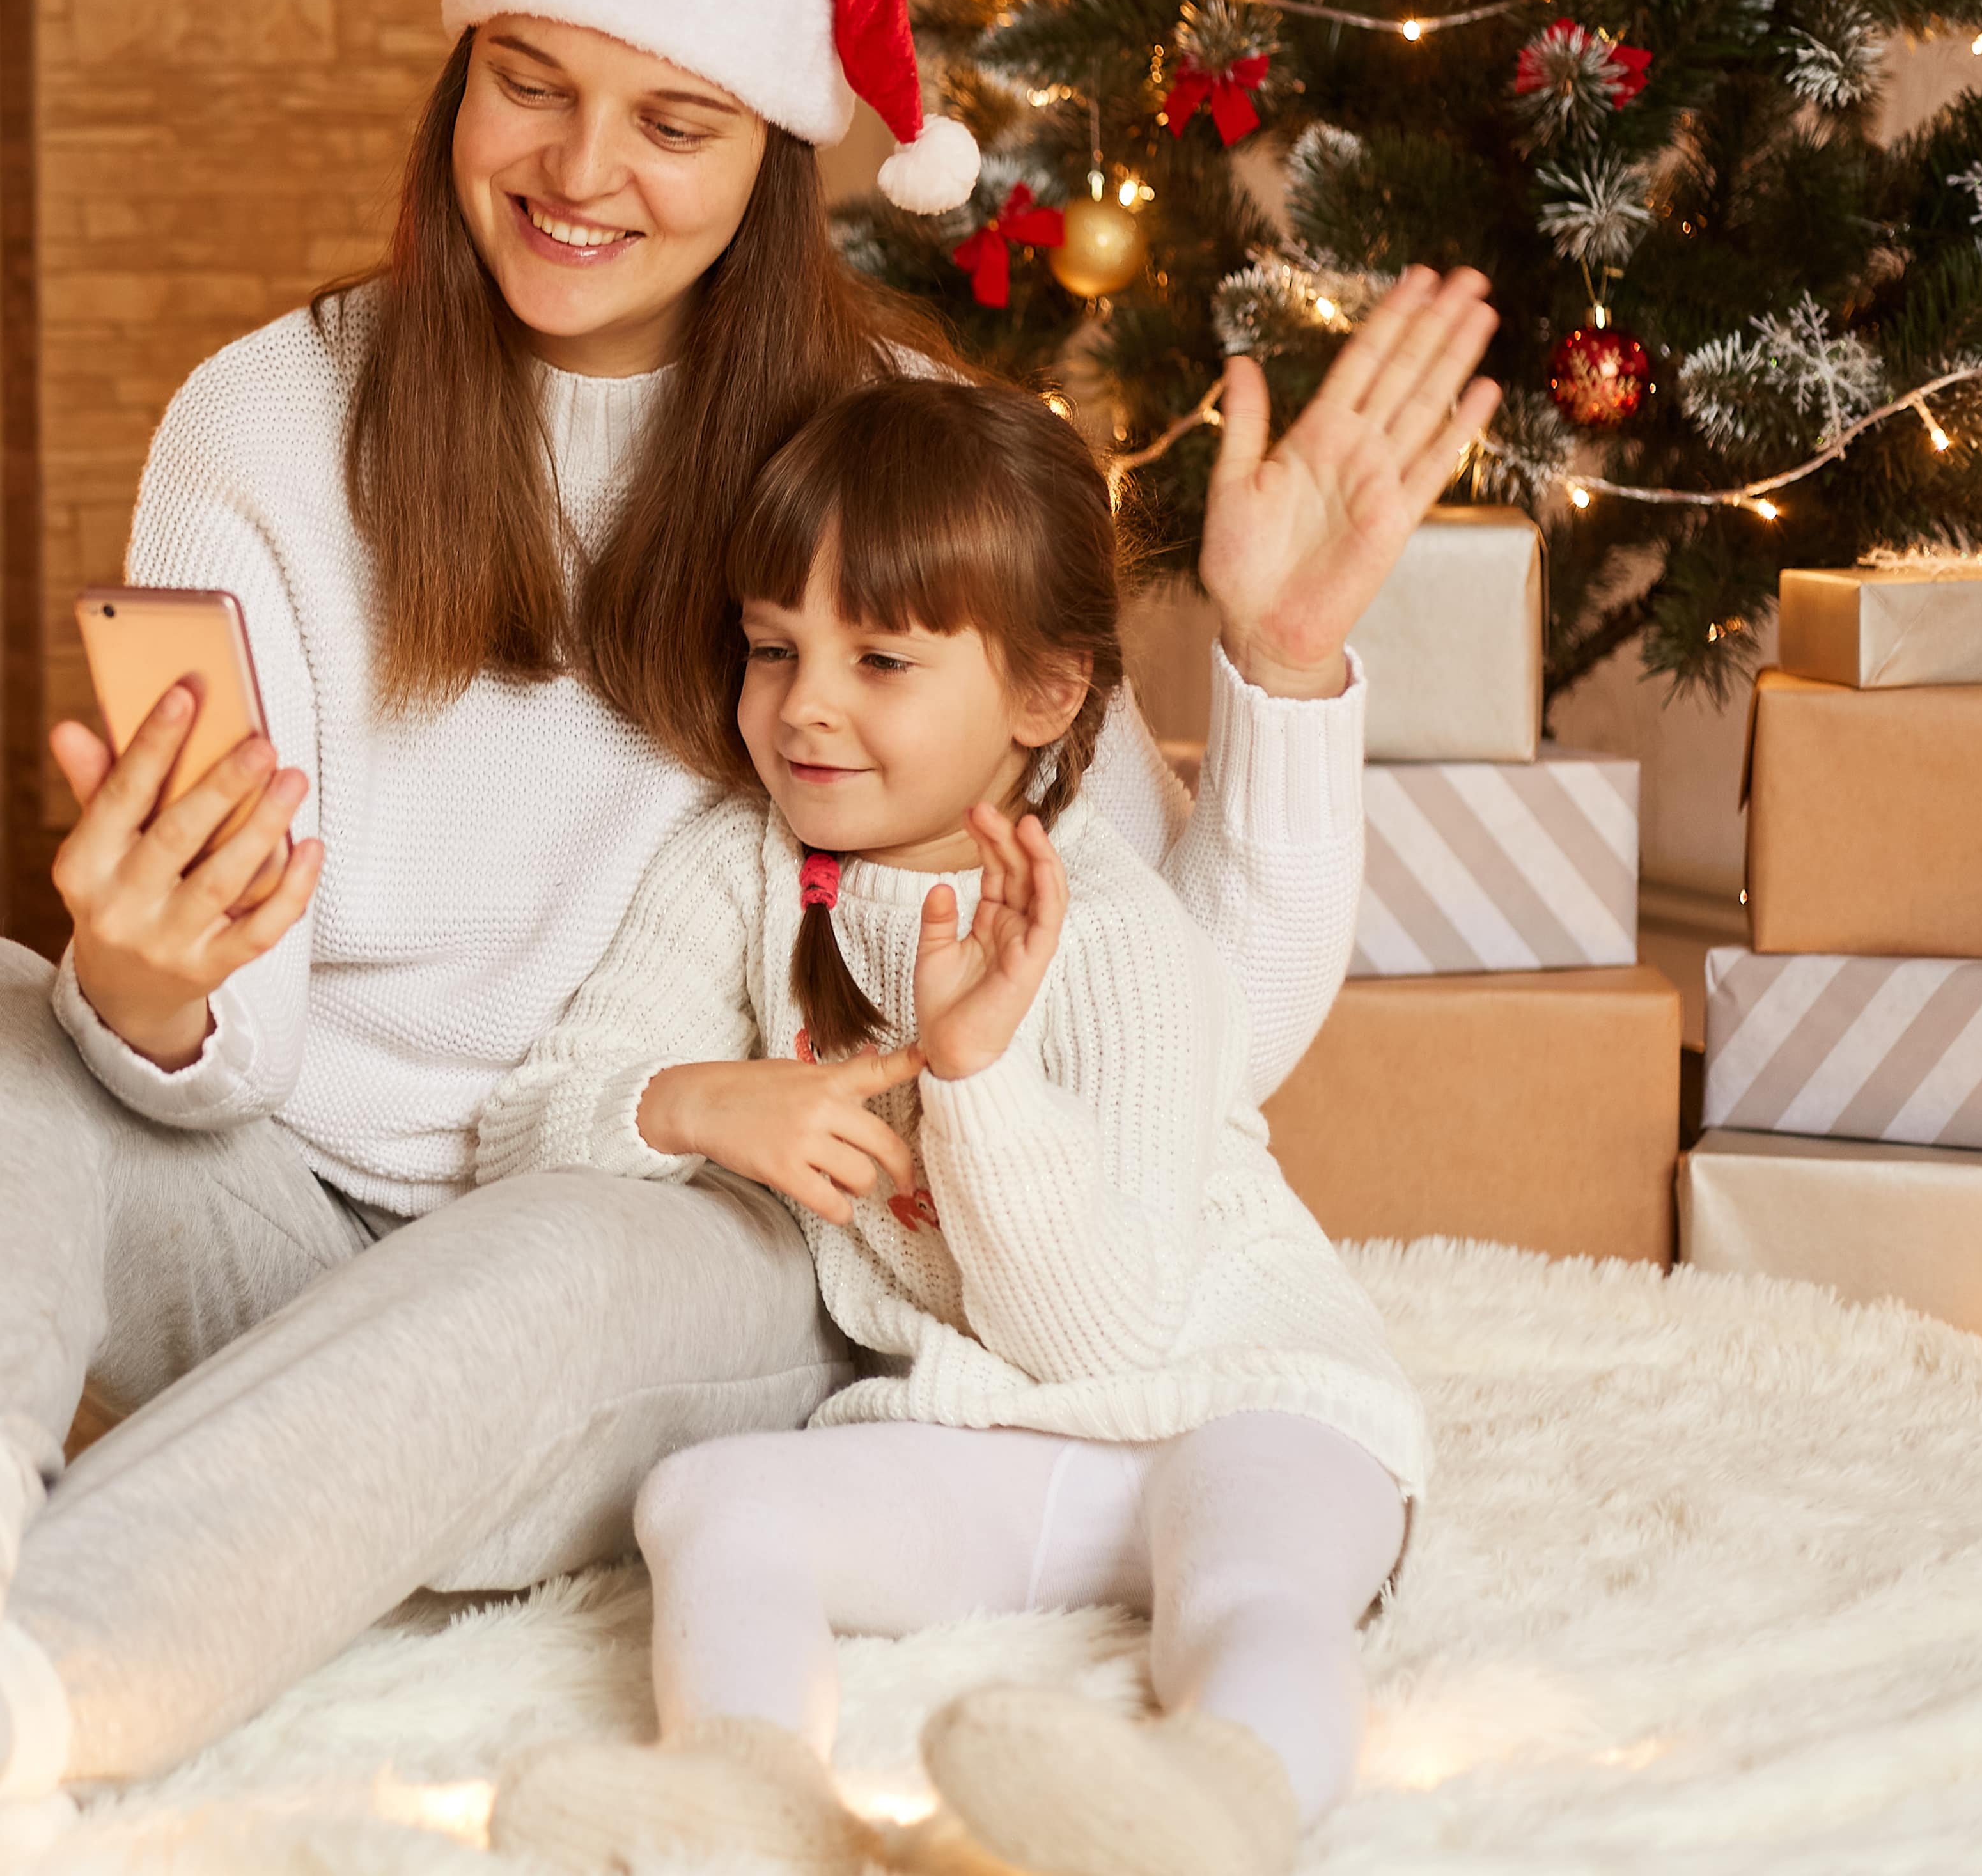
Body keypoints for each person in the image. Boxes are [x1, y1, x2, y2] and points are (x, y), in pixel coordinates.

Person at [0, 0, 1498, 1875]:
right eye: (530, 80)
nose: (581, 167)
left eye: (676, 119)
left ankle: (5, 1687)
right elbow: (212, 1061)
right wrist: (152, 988)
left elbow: (1173, 1026)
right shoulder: (263, 423)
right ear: (462, 75)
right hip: (281, 1216)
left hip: (680, 1262)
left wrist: (1275, 673)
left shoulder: (899, 462)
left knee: (547, 1248)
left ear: (776, 152)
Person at [477, 380, 1429, 1876]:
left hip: (1249, 1398)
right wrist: (689, 1101)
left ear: (1046, 695)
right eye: (775, 648)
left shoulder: (1110, 930)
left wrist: (976, 1083)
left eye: (883, 659)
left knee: (1250, 1594)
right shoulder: (740, 872)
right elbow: (525, 1138)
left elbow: (1102, 1338)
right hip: (997, 1431)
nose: (806, 705)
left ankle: (1209, 1808)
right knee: (712, 1499)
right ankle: (754, 1795)